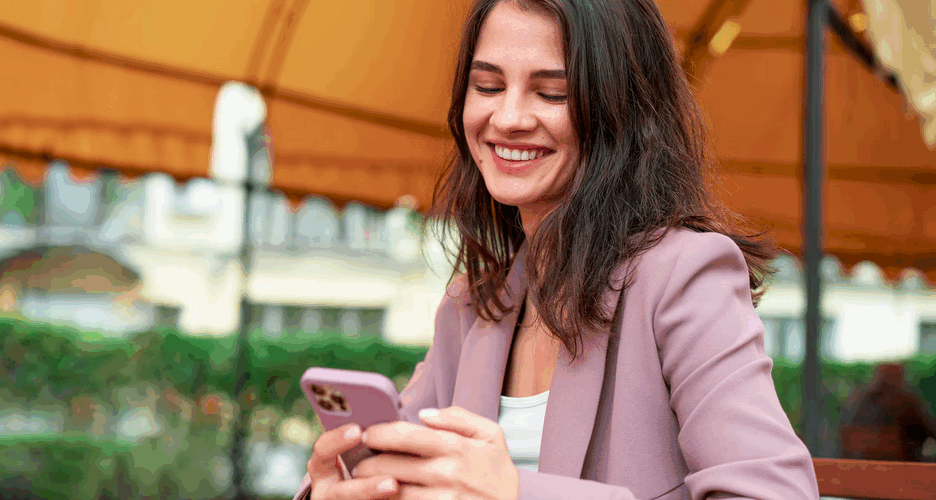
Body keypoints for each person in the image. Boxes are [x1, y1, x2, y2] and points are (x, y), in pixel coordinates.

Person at [296, 0, 821, 498]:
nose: (508, 118)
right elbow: (405, 465)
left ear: (622, 109)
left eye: (552, 93)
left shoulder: (684, 275)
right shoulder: (473, 303)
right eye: (487, 85)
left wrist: (516, 493)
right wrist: (342, 487)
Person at [839, 363, 936, 462]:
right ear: (899, 378)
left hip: (864, 468)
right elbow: (930, 430)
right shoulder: (906, 403)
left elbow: (847, 434)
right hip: (904, 468)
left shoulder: (859, 403)